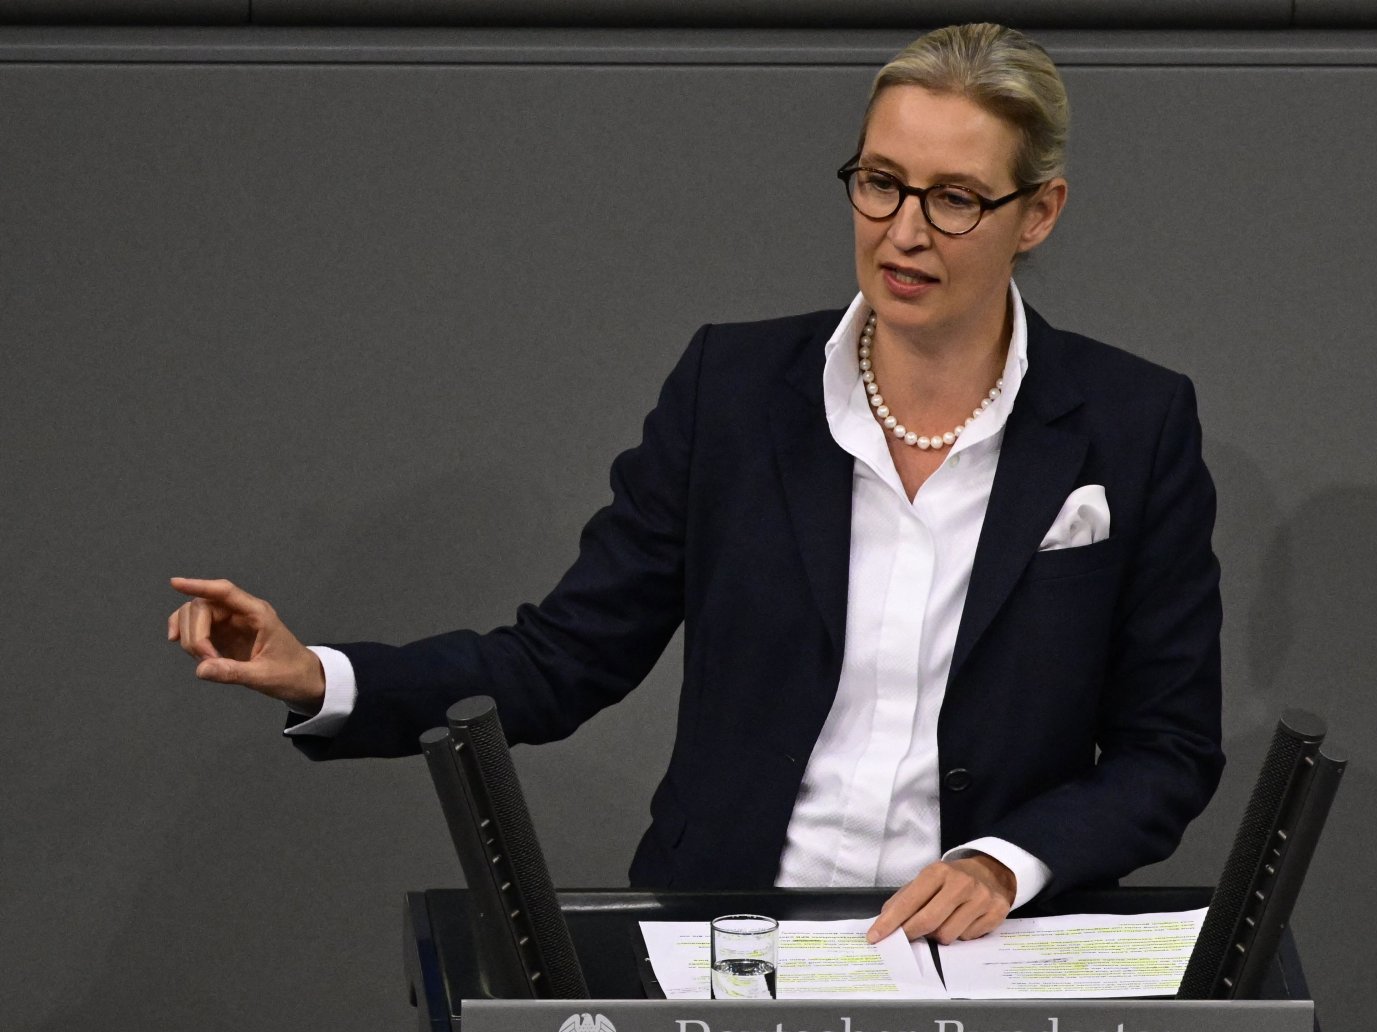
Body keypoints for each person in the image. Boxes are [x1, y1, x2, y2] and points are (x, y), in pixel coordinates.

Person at [167, 23, 1223, 947]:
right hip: (732, 928)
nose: (903, 230)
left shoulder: (1131, 426)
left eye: (953, 199)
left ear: (1036, 214)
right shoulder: (733, 391)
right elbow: (562, 658)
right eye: (879, 181)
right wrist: (323, 677)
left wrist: (1005, 861)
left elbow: (1165, 749)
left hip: (991, 950)